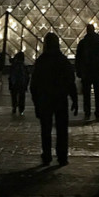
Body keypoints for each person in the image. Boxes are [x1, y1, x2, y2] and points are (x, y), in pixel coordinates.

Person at [30, 32, 78, 167]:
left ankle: (47, 155)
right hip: (60, 99)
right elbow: (70, 81)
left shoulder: (41, 61)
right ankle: (62, 156)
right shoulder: (63, 60)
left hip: (45, 99)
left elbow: (34, 85)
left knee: (45, 129)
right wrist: (74, 99)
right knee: (62, 129)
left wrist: (36, 103)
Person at [75, 23, 99, 121]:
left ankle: (87, 112)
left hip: (86, 72)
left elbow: (78, 58)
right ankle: (98, 113)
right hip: (98, 72)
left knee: (86, 95)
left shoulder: (82, 43)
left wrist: (78, 70)